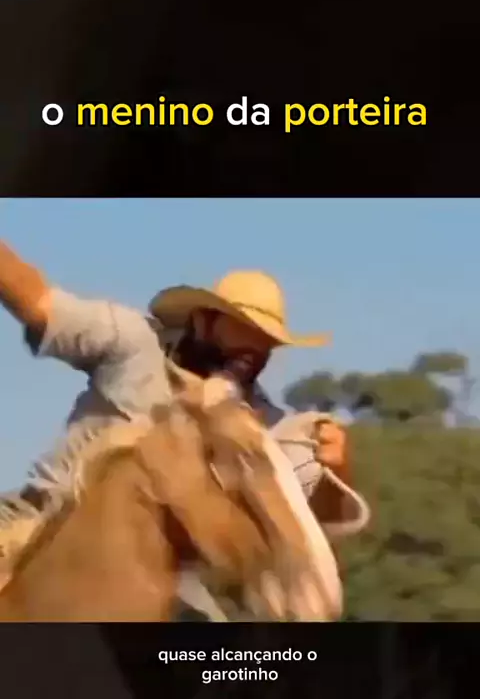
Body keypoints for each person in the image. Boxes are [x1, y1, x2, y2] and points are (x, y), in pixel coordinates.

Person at [0, 239, 369, 600]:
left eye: (267, 340)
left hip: (163, 577)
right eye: (243, 327)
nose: (256, 348)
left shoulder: (261, 427)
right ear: (202, 320)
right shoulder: (133, 345)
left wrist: (337, 468)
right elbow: (39, 303)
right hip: (38, 525)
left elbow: (313, 530)